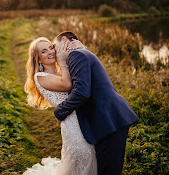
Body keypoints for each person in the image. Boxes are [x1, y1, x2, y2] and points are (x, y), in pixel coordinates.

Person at [53, 31, 139, 175]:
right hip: (107, 120)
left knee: (108, 171)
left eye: (55, 47)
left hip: (109, 121)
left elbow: (81, 92)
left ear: (64, 40)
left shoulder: (77, 55)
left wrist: (59, 111)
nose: (56, 53)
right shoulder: (82, 53)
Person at [23, 37, 97, 175]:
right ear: (38, 58)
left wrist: (81, 48)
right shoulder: (40, 76)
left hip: (80, 117)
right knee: (82, 154)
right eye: (44, 51)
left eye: (51, 47)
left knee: (89, 154)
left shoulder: (60, 70)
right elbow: (67, 85)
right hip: (72, 123)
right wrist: (62, 61)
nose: (50, 52)